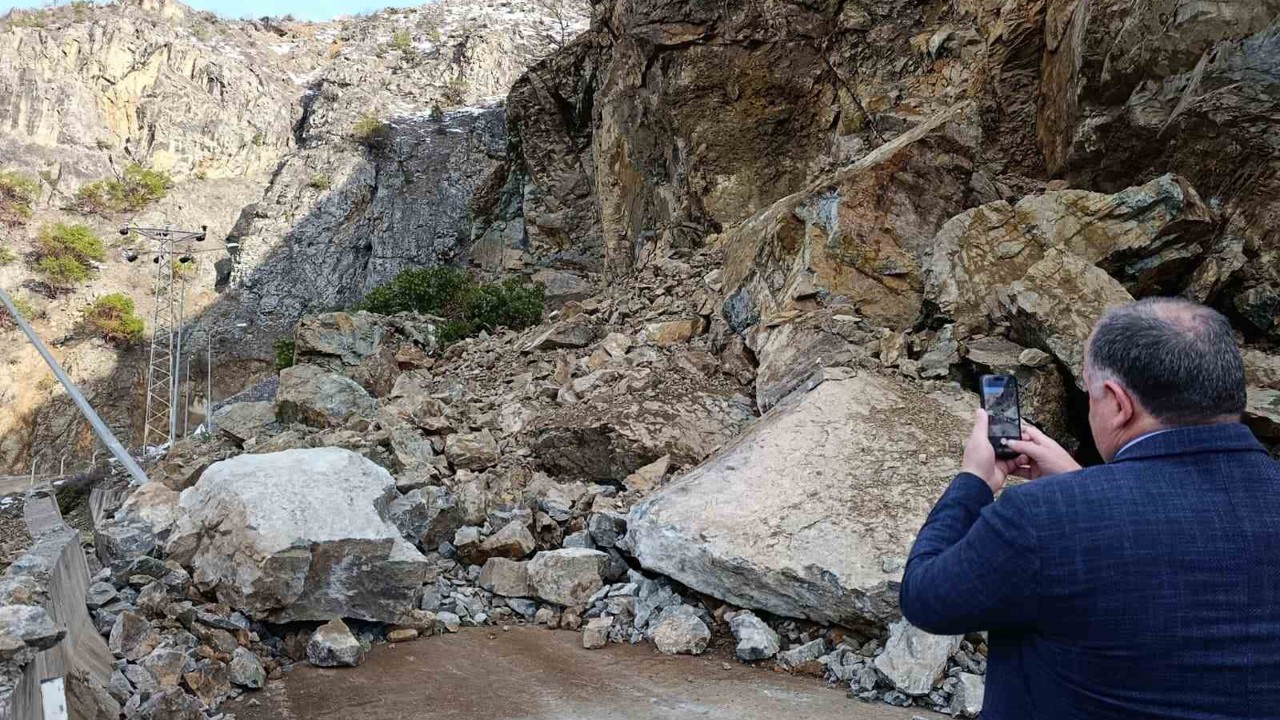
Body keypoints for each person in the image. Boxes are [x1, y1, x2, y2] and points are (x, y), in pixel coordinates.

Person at [900, 298, 1280, 719]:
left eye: (1091, 393)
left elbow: (926, 598)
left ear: (1118, 403)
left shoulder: (1040, 518)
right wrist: (1081, 483)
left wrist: (973, 483)